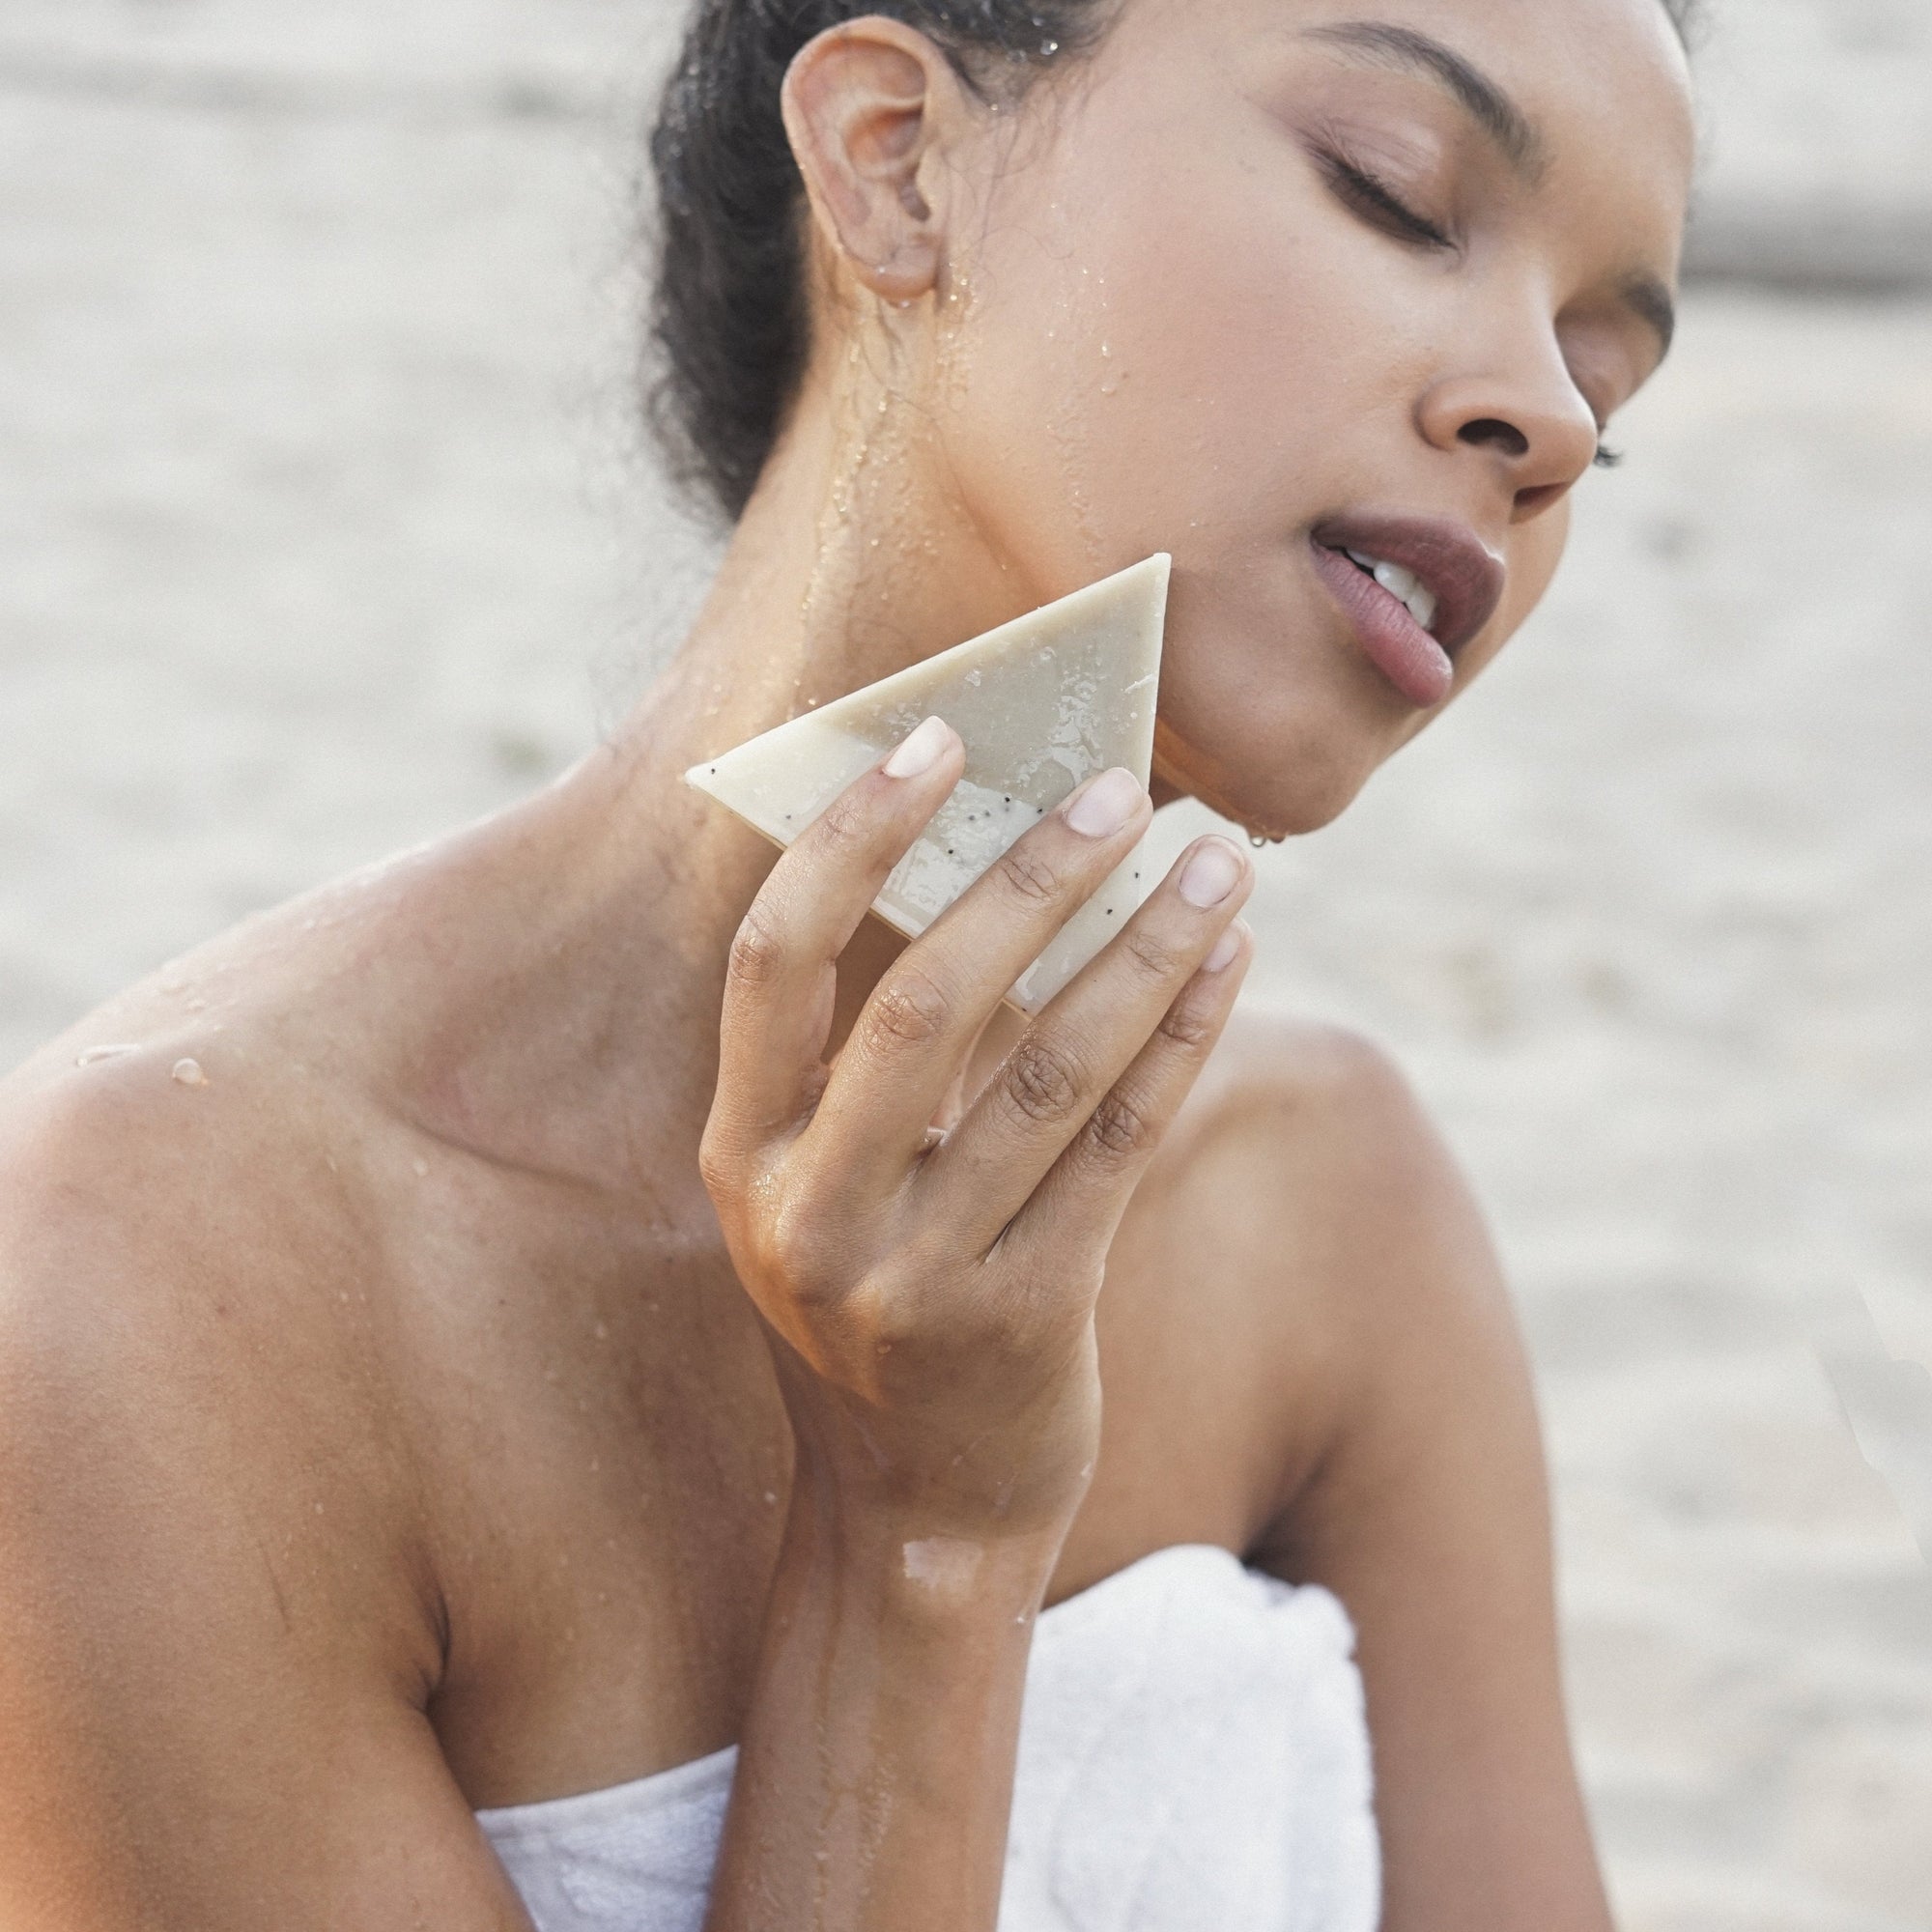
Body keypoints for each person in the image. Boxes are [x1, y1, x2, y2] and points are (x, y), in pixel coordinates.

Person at [0, 0, 1698, 1926]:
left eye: (1603, 375)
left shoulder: (1332, 1213)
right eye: (1392, 192)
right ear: (895, 157)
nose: (1550, 424)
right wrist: (926, 1538)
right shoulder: (161, 1283)